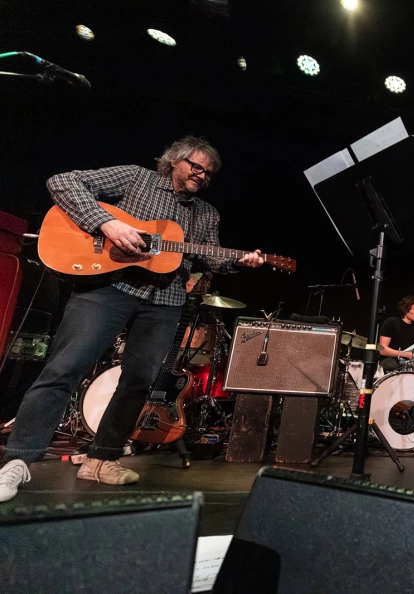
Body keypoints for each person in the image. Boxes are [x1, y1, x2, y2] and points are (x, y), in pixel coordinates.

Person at [0, 136, 264, 502]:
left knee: (140, 381)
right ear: (175, 161)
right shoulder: (135, 178)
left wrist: (239, 261)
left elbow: (210, 258)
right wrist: (107, 223)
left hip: (165, 300)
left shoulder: (206, 214)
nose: (202, 176)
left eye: (209, 174)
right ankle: (18, 460)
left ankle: (102, 458)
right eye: (196, 166)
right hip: (108, 288)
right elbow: (62, 181)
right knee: (64, 369)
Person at [378, 295, 414, 373]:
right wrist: (405, 354)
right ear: (405, 309)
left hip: (408, 363)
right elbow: (382, 350)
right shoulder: (392, 322)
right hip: (390, 360)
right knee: (391, 364)